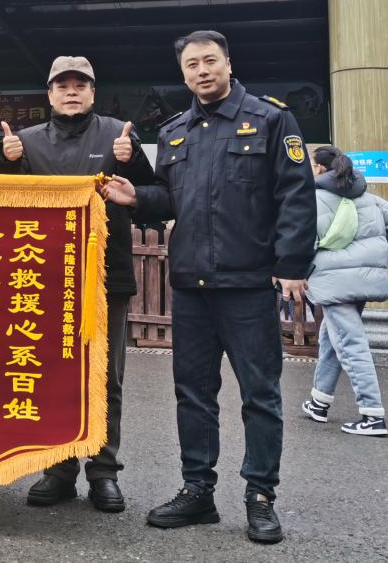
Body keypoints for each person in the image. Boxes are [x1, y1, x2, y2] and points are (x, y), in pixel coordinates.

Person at [104, 30, 315, 545]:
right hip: (191, 285)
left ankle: (260, 496)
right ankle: (197, 491)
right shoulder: (177, 132)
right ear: (183, 74)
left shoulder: (270, 119)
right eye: (192, 64)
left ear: (227, 63)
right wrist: (138, 197)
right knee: (193, 395)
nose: (201, 70)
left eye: (210, 61)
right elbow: (171, 201)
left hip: (247, 284)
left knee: (259, 395)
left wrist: (291, 265)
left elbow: (296, 194)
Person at [0, 56, 152, 514]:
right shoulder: (23, 143)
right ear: (49, 94)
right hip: (41, 281)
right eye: (62, 85)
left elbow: (151, 200)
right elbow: (1, 208)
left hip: (107, 276)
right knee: (49, 376)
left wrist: (134, 161)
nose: (71, 92)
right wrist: (5, 166)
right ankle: (58, 469)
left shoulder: (118, 134)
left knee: (107, 377)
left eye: (80, 85)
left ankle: (103, 472)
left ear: (92, 92)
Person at [299, 146, 388, 438]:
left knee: (350, 342)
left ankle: (372, 415)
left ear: (320, 169)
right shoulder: (369, 198)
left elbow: (304, 240)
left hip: (333, 280)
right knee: (332, 338)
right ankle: (319, 402)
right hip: (363, 280)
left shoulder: (314, 199)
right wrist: (371, 256)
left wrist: (306, 270)